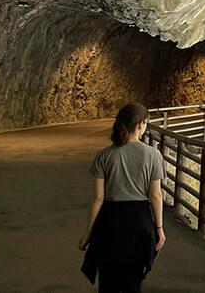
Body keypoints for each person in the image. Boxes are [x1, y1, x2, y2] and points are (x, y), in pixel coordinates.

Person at [79, 104, 167, 292]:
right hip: (139, 222)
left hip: (110, 222)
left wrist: (89, 233)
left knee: (108, 281)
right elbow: (155, 195)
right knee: (133, 281)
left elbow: (98, 199)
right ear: (141, 125)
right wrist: (159, 228)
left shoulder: (104, 156)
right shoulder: (153, 155)